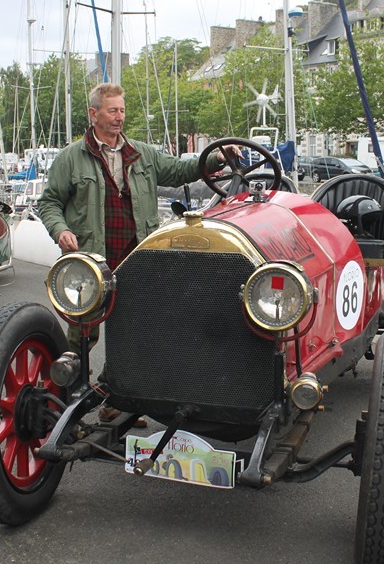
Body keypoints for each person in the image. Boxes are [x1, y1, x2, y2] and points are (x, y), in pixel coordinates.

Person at [38, 83, 239, 421]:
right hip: (92, 260)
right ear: (94, 114)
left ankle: (122, 400)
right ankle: (67, 401)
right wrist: (61, 230)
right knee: (83, 334)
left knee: (136, 329)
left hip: (137, 260)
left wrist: (217, 156)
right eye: (112, 110)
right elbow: (49, 202)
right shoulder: (71, 158)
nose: (120, 117)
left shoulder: (142, 153)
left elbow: (179, 171)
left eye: (122, 110)